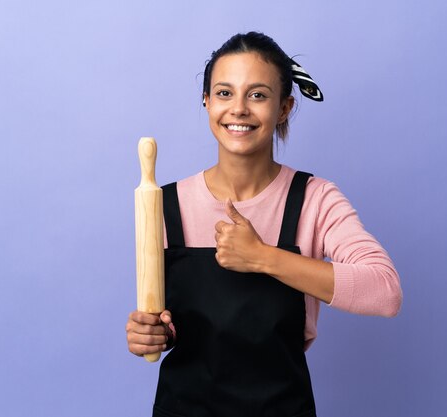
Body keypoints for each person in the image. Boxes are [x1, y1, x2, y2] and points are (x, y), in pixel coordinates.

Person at [125, 31, 402, 417]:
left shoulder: (314, 200)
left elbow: (385, 292)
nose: (238, 108)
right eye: (224, 93)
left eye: (257, 95)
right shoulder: (164, 204)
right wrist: (154, 333)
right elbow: (172, 323)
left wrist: (263, 258)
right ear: (205, 102)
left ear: (284, 107)